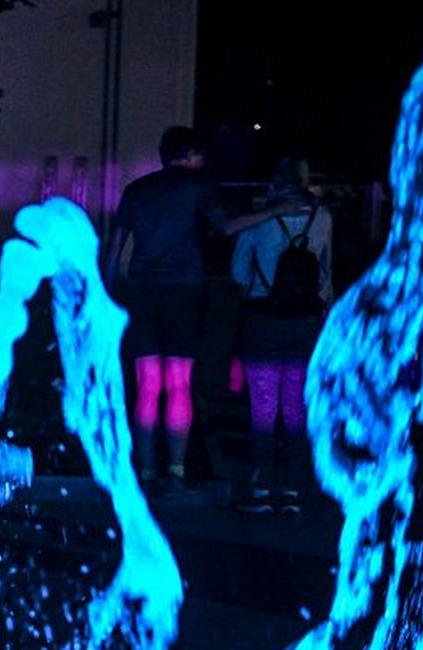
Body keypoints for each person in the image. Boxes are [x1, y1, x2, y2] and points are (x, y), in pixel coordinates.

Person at [101, 126, 279, 493]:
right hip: (184, 290)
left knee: (148, 384)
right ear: (189, 154)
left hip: (142, 292)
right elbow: (226, 226)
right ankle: (176, 470)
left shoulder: (136, 190)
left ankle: (146, 471)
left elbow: (115, 247)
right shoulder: (198, 185)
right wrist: (276, 210)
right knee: (179, 382)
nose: (203, 162)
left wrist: (106, 294)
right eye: (200, 155)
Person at [228, 156, 333, 515]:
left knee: (263, 407)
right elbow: (326, 273)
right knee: (295, 408)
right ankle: (292, 491)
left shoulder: (258, 220)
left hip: (263, 318)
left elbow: (239, 272)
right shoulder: (323, 218)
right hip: (306, 321)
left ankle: (260, 489)